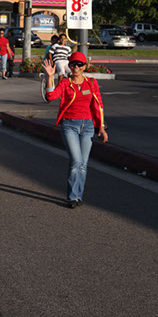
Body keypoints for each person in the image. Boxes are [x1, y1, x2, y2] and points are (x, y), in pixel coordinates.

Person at [43, 51, 108, 208]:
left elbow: (98, 106)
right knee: (76, 161)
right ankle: (72, 197)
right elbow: (51, 96)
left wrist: (102, 127)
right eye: (73, 64)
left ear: (85, 66)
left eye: (80, 64)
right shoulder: (65, 83)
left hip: (88, 126)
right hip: (70, 125)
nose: (76, 67)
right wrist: (50, 76)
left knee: (83, 164)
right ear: (69, 66)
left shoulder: (91, 83)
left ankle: (78, 196)